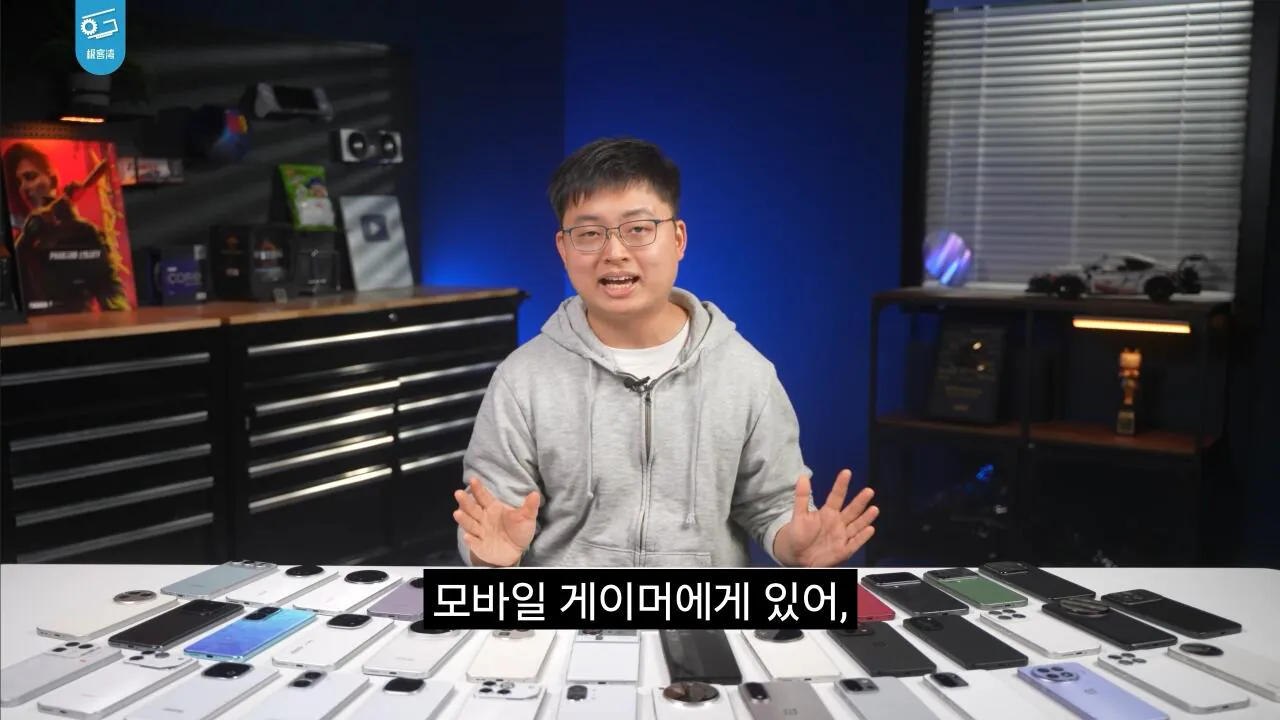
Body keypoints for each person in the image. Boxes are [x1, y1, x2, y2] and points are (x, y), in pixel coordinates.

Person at [453, 137, 879, 568]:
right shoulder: (523, 379)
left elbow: (774, 506)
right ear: (563, 249)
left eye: (638, 229)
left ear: (677, 239)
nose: (614, 253)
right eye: (589, 234)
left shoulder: (745, 373)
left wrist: (794, 546)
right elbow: (490, 518)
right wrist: (490, 558)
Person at [1, 142, 129, 313]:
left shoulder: (84, 232)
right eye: (18, 183)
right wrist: (27, 238)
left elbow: (112, 295)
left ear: (52, 180)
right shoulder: (21, 238)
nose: (24, 188)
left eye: (30, 177)